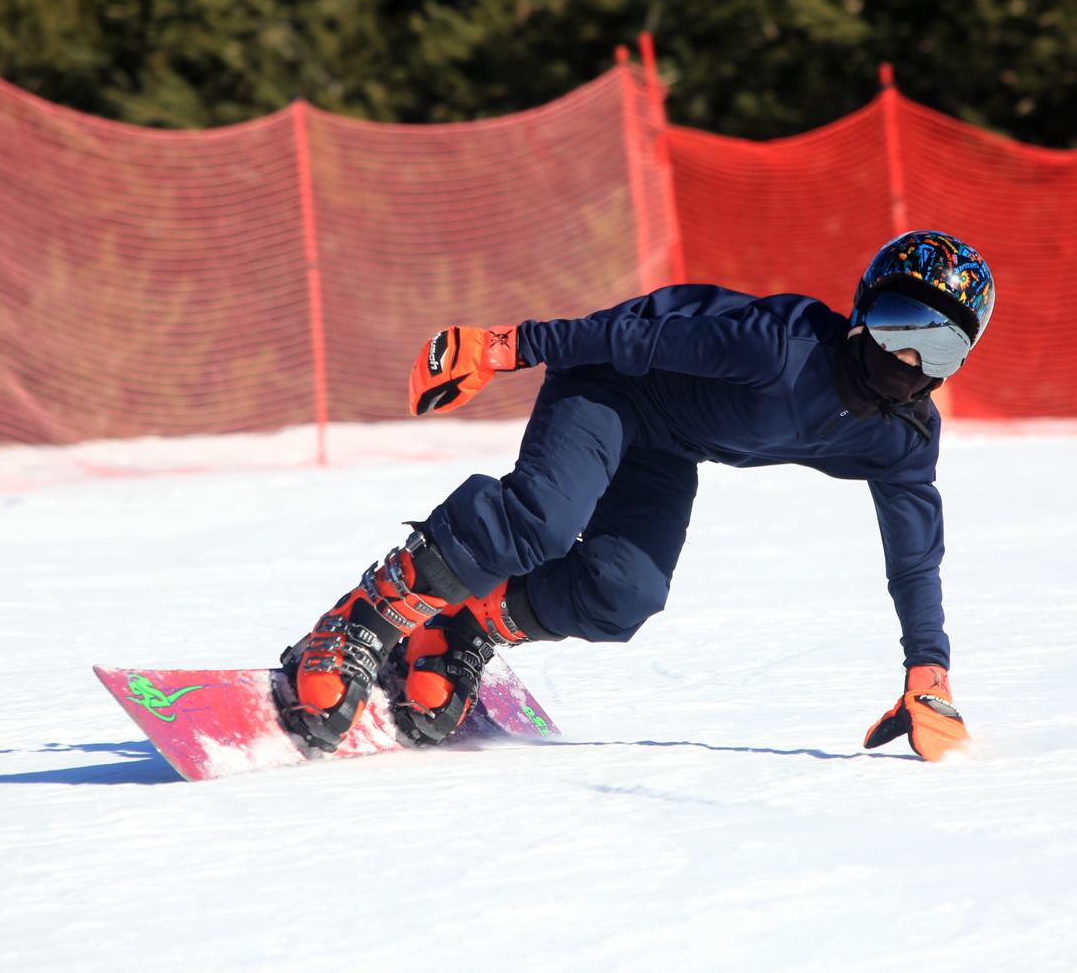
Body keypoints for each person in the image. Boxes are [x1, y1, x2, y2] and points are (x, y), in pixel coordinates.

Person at [279, 230, 994, 762]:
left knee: (624, 594)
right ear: (864, 309)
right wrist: (503, 345)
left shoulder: (901, 436)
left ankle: (466, 626)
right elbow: (636, 337)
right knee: (540, 521)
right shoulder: (780, 348)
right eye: (904, 325)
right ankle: (362, 618)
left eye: (940, 348)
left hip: (669, 443)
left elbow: (914, 560)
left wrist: (927, 669)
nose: (909, 360)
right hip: (613, 383)